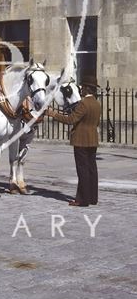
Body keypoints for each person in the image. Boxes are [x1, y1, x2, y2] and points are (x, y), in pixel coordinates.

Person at [45, 75, 101, 206]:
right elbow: (96, 122)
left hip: (81, 140)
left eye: (82, 88)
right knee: (92, 168)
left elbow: (71, 120)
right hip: (93, 139)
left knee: (82, 170)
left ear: (88, 89)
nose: (81, 90)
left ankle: (82, 199)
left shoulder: (84, 103)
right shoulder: (97, 104)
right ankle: (93, 198)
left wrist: (54, 114)